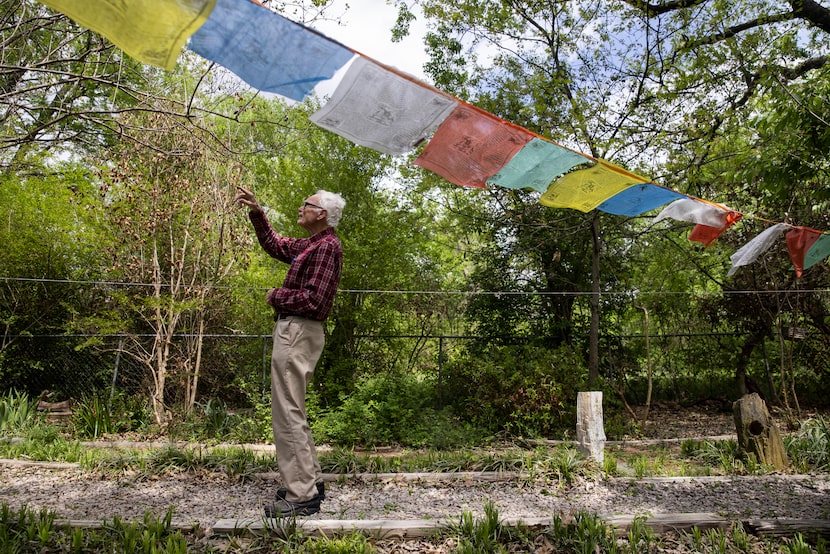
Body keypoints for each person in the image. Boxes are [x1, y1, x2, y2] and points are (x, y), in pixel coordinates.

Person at [235, 185, 345, 518]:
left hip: (298, 329)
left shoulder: (326, 247)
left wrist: (276, 296)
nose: (301, 208)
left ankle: (301, 495)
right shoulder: (311, 245)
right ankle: (309, 482)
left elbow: (315, 300)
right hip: (296, 331)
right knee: (292, 408)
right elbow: (275, 244)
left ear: (321, 214)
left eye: (306, 204)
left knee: (287, 413)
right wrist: (257, 211)